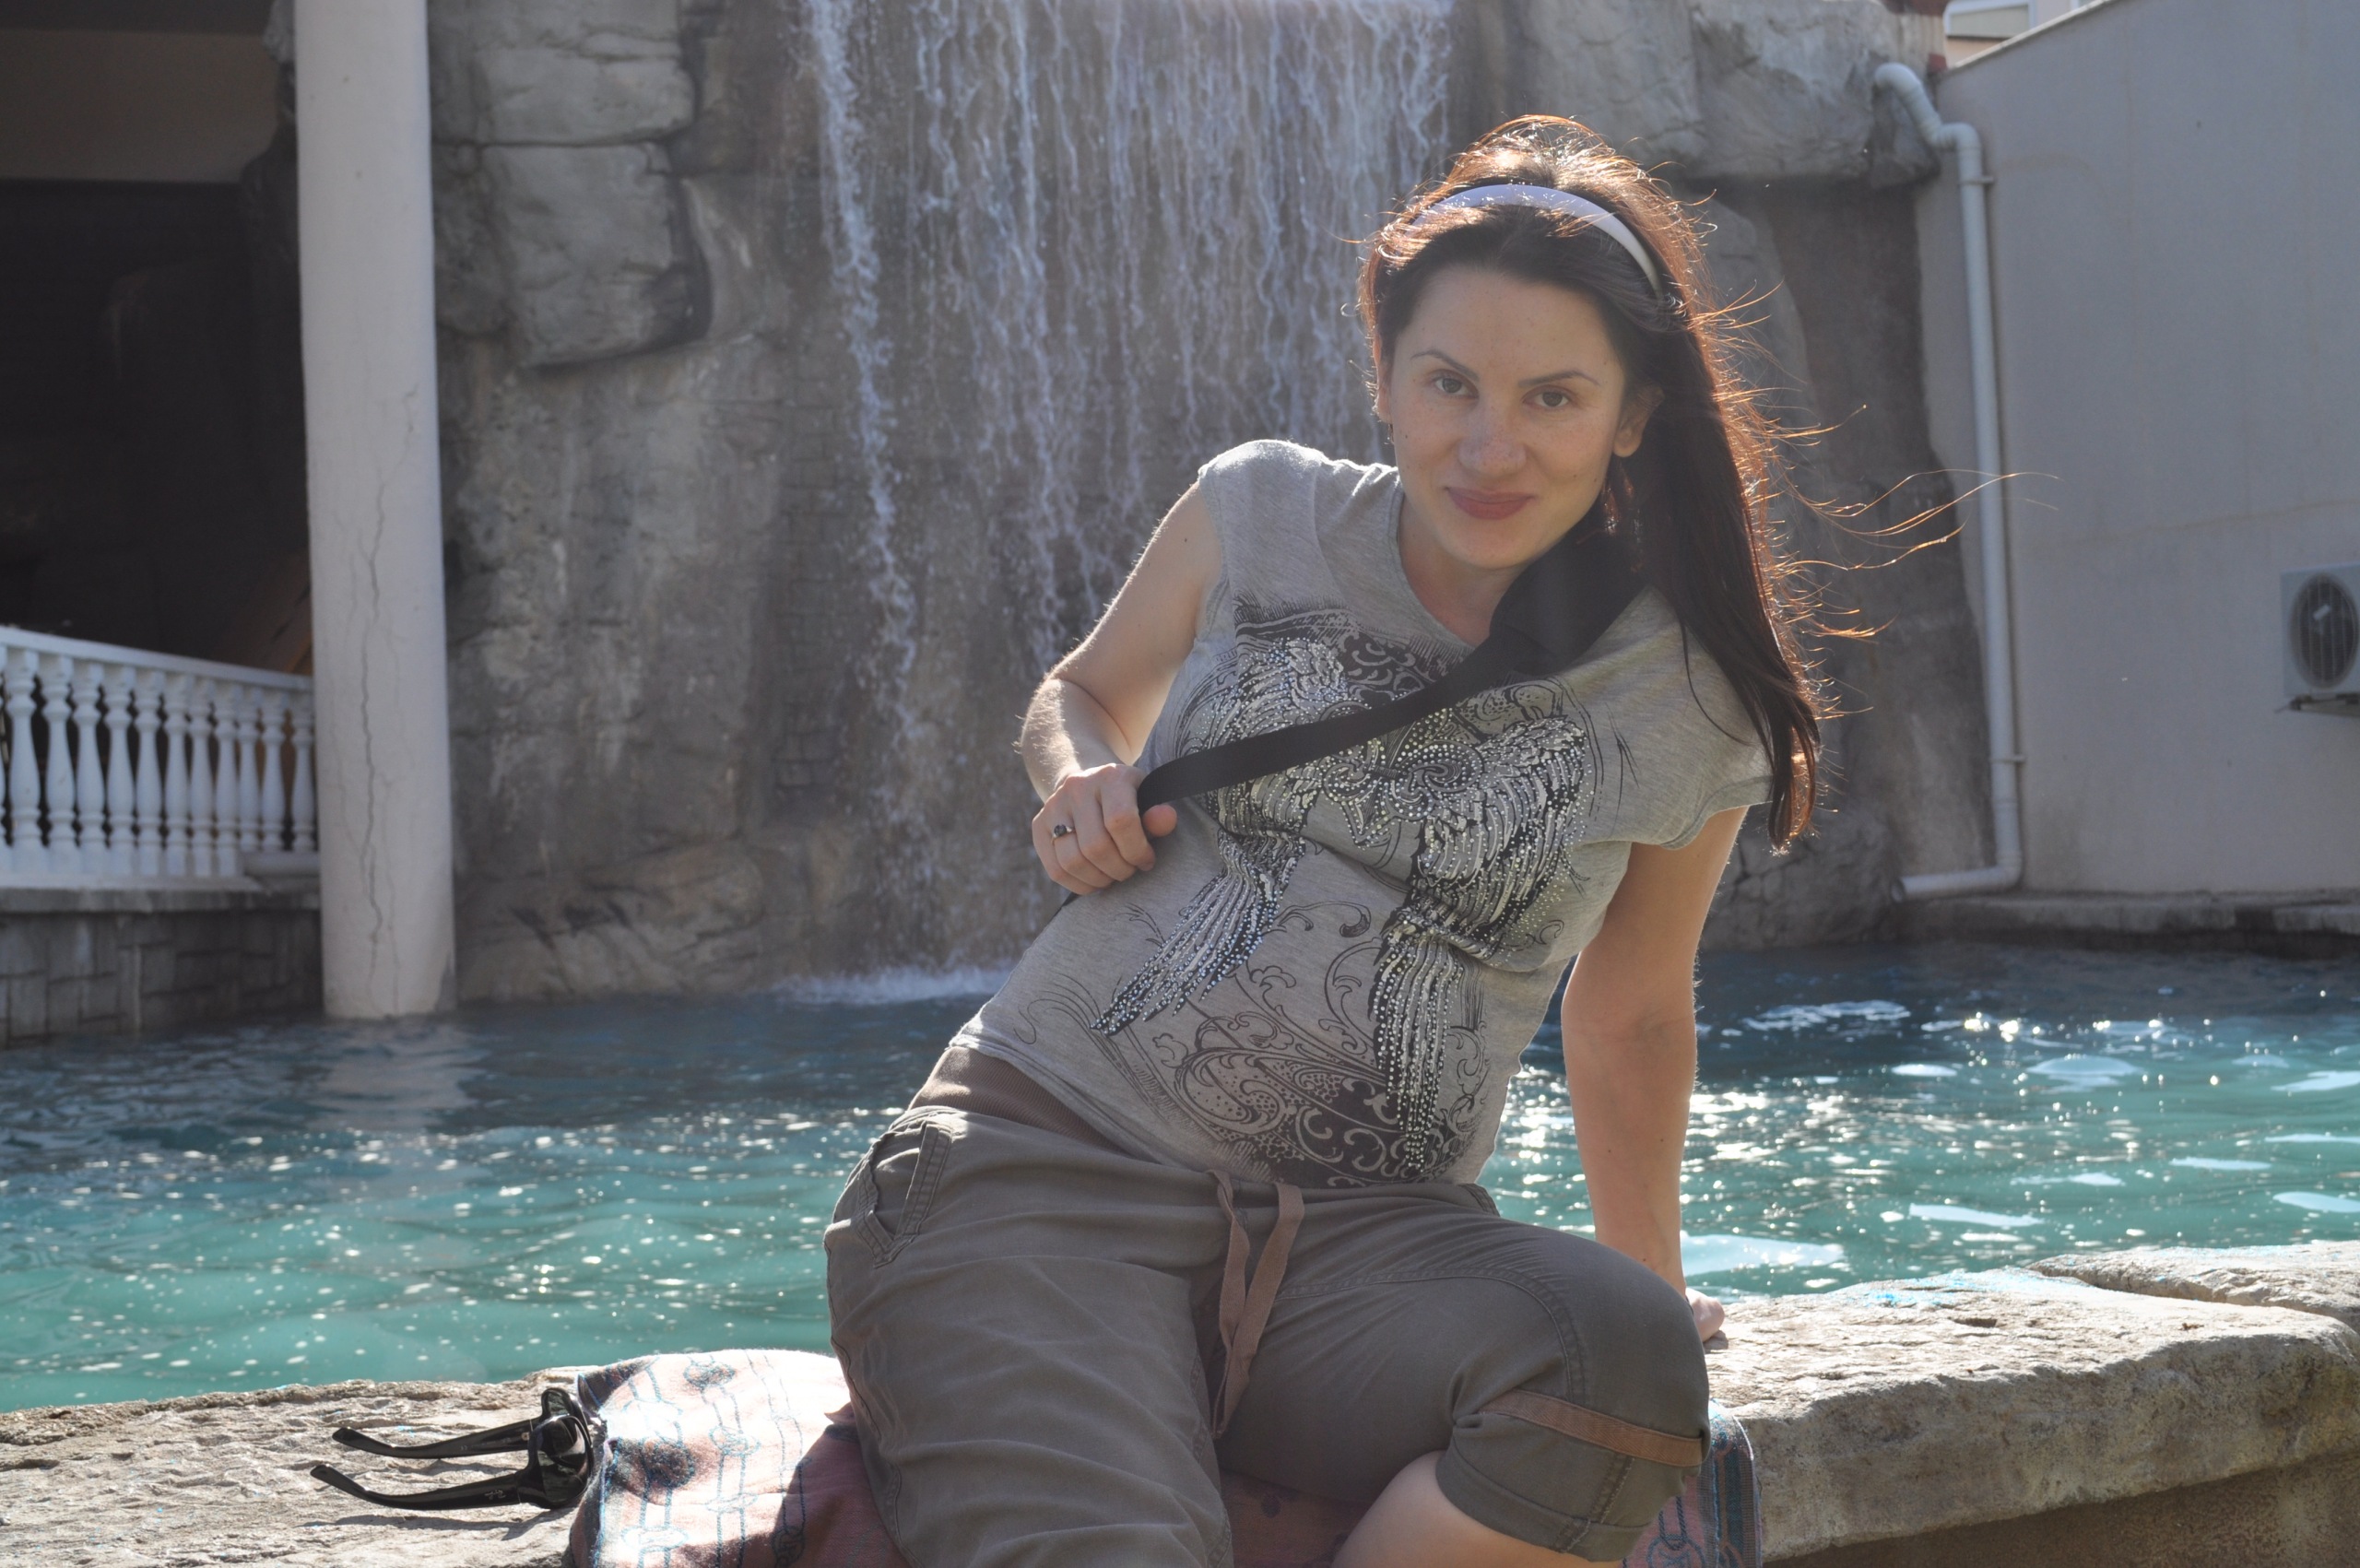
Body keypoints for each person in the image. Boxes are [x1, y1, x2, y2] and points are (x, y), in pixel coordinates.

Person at [826, 115, 1823, 1568]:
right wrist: (1079, 776)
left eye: (1552, 397)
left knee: (1620, 1360)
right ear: (1384, 378)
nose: (1490, 447)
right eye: (1448, 383)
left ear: (1632, 414)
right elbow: (1083, 693)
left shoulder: (1686, 694)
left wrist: (1652, 1274)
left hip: (1361, 1252)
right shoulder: (1260, 509)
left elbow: (1632, 1007)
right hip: (1039, 1174)